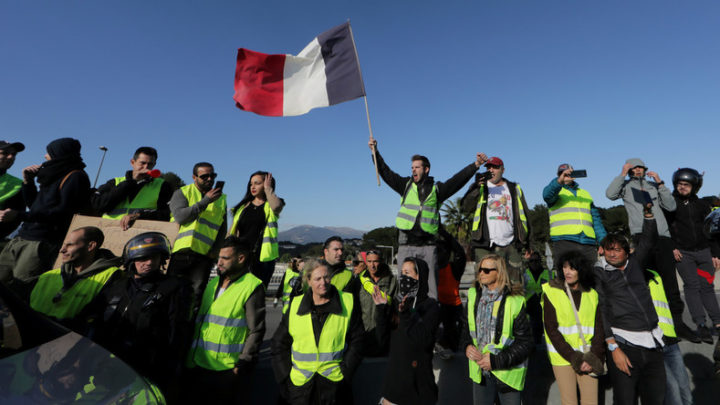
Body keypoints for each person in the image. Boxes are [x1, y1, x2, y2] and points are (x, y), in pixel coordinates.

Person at [369, 134, 485, 299]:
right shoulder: (405, 186)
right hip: (406, 244)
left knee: (431, 290)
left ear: (426, 169)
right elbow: (385, 172)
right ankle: (406, 318)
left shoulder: (437, 190)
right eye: (412, 167)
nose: (413, 170)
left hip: (429, 247)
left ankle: (430, 320)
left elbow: (457, 180)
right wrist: (375, 152)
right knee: (405, 290)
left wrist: (475, 165)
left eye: (417, 167)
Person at [86, 232, 192, 399]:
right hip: (101, 362)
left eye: (155, 257)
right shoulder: (117, 285)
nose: (149, 262)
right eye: (143, 258)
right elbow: (93, 316)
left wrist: (166, 370)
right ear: (131, 260)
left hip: (141, 369)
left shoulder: (173, 288)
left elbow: (176, 332)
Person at [605, 158, 696, 342]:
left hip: (662, 237)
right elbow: (610, 194)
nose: (638, 170)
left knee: (670, 282)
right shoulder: (625, 187)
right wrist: (622, 173)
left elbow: (671, 206)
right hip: (641, 236)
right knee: (646, 282)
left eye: (641, 167)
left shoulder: (654, 186)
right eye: (634, 168)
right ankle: (655, 327)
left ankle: (678, 325)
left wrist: (661, 183)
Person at [593, 204, 666, 405]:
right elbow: (602, 309)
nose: (612, 254)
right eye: (608, 250)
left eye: (617, 250)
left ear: (627, 252)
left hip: (653, 343)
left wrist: (648, 214)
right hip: (624, 344)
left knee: (657, 399)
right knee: (625, 400)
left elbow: (649, 240)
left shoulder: (635, 264)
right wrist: (613, 347)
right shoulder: (600, 274)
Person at [0, 138, 91, 296]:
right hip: (21, 239)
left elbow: (61, 214)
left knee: (19, 292)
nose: (45, 156)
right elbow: (35, 205)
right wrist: (28, 183)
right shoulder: (52, 175)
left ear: (59, 154)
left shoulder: (76, 177)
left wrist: (19, 215)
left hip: (40, 244)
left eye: (49, 153)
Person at [271, 259, 364, 405]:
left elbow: (358, 341)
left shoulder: (347, 301)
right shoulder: (295, 305)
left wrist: (346, 373)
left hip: (334, 385)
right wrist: (285, 378)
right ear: (308, 280)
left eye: (326, 277)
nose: (323, 282)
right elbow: (279, 344)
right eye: (317, 278)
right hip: (299, 387)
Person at [185, 236, 266, 404]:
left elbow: (256, 329)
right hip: (198, 364)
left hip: (225, 371)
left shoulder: (252, 286)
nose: (219, 262)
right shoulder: (213, 283)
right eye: (219, 257)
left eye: (225, 258)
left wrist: (243, 363)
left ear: (241, 258)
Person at [460, 254, 533, 405]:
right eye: (480, 269)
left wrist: (496, 361)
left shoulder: (515, 300)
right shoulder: (473, 295)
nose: (481, 273)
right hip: (481, 372)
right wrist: (466, 346)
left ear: (499, 272)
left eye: (487, 270)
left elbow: (526, 343)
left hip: (507, 373)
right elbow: (465, 329)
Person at [664, 168, 720, 343]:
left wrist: (715, 254)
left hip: (704, 251)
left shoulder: (703, 205)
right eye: (679, 184)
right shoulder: (670, 204)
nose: (682, 187)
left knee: (707, 286)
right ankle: (701, 324)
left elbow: (712, 230)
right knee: (692, 286)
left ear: (694, 186)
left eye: (686, 184)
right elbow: (664, 228)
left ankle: (717, 323)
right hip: (683, 253)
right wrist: (672, 247)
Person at [373, 257, 439, 404]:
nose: (403, 277)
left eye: (407, 273)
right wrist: (381, 310)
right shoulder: (396, 302)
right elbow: (382, 340)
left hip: (419, 390)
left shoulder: (430, 306)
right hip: (394, 389)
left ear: (419, 277)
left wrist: (406, 316)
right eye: (401, 273)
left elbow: (423, 340)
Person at [29, 226, 122, 331]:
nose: (62, 250)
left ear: (91, 246)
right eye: (64, 244)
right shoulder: (47, 276)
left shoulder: (113, 277)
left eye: (70, 245)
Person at [542, 251, 604, 405]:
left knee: (591, 401)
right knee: (569, 401)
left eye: (572, 268)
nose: (567, 272)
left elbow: (599, 329)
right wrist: (573, 357)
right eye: (564, 267)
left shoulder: (592, 294)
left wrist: (593, 356)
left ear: (581, 270)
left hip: (588, 355)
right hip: (562, 356)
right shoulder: (551, 291)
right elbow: (551, 329)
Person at [461, 156, 531, 284]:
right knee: (485, 285)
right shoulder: (481, 186)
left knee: (515, 286)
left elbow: (525, 215)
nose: (491, 170)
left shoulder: (513, 188)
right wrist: (476, 188)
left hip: (511, 244)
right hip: (485, 244)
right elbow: (465, 207)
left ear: (502, 170)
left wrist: (528, 243)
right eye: (488, 167)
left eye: (495, 167)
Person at [167, 162, 227, 307]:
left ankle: (189, 327)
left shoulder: (221, 199)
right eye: (204, 176)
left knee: (195, 297)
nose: (209, 179)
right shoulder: (182, 192)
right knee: (172, 293)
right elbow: (181, 217)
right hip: (180, 252)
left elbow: (222, 228)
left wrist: (215, 251)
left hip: (203, 256)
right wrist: (205, 201)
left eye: (212, 175)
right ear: (194, 177)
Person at [92, 146, 173, 230]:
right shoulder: (115, 182)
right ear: (132, 162)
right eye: (142, 163)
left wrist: (139, 215)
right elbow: (98, 206)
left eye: (150, 164)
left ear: (154, 165)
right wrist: (130, 182)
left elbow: (167, 214)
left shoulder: (162, 185)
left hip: (141, 234)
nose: (146, 167)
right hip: (107, 230)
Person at [543, 163, 606, 266]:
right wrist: (559, 181)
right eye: (563, 174)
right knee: (566, 278)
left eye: (568, 174)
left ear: (574, 175)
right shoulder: (556, 191)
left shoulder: (585, 193)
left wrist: (604, 242)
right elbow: (547, 195)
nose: (566, 176)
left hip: (588, 242)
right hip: (564, 241)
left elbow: (596, 220)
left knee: (591, 277)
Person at [229, 171, 284, 287]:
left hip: (263, 258)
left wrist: (268, 189)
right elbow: (232, 232)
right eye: (251, 184)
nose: (252, 187)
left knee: (258, 293)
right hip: (241, 256)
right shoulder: (243, 207)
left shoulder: (271, 204)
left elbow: (277, 206)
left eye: (257, 183)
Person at [358, 249, 397, 356]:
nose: (372, 265)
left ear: (382, 261)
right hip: (365, 334)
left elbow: (397, 308)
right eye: (369, 261)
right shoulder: (360, 281)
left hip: (385, 334)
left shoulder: (392, 281)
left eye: (375, 261)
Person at [435, 227, 466, 357]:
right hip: (437, 307)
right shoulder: (430, 268)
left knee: (453, 340)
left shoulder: (454, 268)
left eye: (443, 251)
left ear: (448, 253)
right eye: (437, 251)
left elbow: (460, 252)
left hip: (453, 308)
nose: (440, 254)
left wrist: (443, 233)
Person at [0, 140, 26, 242]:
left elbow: (15, 217)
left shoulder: (18, 184)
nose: (11, 157)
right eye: (5, 153)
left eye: (14, 154)